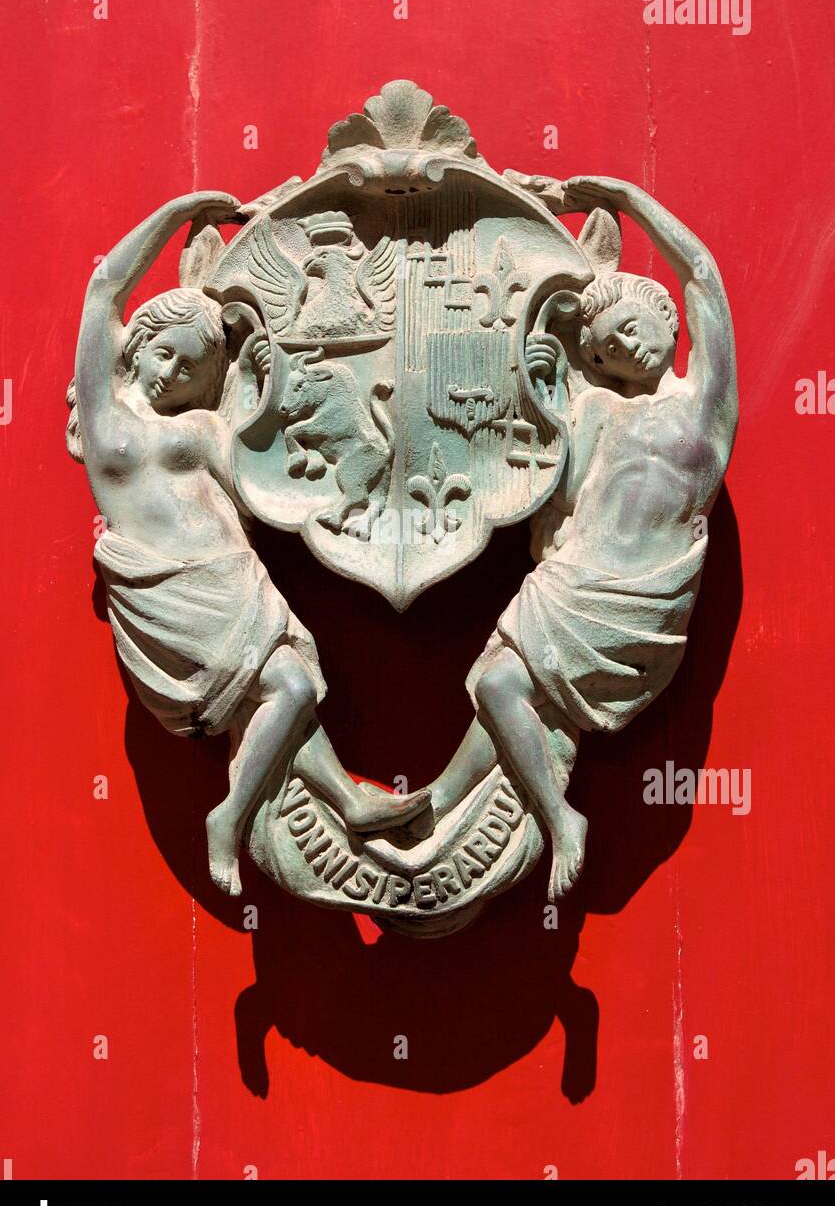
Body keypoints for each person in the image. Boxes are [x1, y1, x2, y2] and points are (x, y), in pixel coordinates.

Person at [71, 191, 429, 897]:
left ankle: (346, 801)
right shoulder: (107, 424)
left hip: (233, 575)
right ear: (138, 349)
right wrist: (176, 210)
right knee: (289, 684)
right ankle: (230, 818)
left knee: (286, 683)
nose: (174, 373)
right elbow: (104, 289)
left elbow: (261, 457)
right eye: (165, 355)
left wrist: (264, 371)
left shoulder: (204, 427)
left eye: (194, 366)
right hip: (171, 589)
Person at [427, 175, 738, 902]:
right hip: (572, 579)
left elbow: (704, 277)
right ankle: (446, 801)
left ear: (664, 320)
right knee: (498, 683)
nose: (624, 346)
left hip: (638, 597)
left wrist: (627, 199)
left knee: (506, 684)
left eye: (631, 328)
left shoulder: (705, 413)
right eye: (604, 350)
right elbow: (557, 508)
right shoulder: (600, 414)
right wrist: (547, 397)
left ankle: (542, 816)